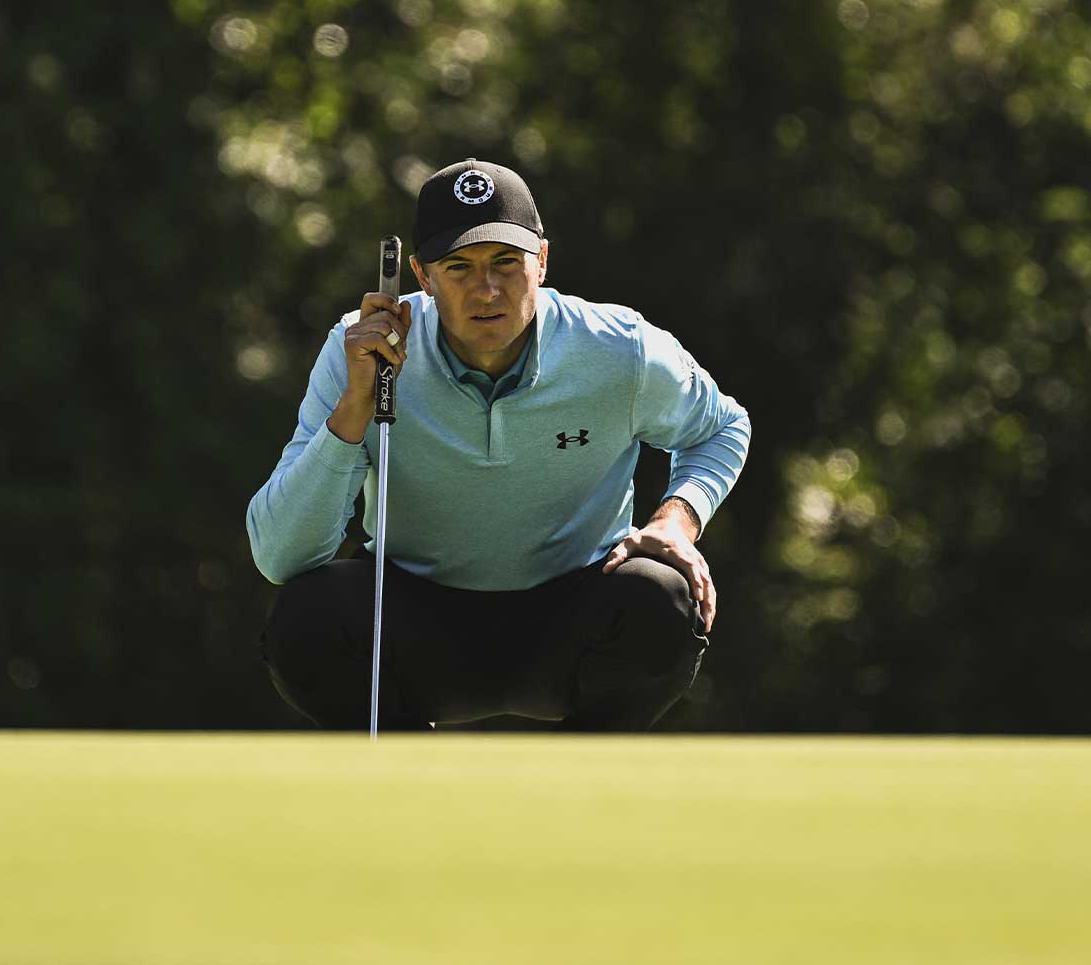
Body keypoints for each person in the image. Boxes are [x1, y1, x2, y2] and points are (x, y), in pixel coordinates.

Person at [247, 158, 751, 731]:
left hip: (573, 617)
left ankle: (583, 780)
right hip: (414, 620)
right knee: (307, 617)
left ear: (542, 261)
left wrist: (675, 523)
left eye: (506, 262)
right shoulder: (360, 351)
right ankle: (405, 780)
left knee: (660, 598)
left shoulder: (620, 348)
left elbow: (722, 427)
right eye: (459, 266)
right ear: (422, 276)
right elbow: (281, 557)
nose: (486, 290)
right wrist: (355, 407)